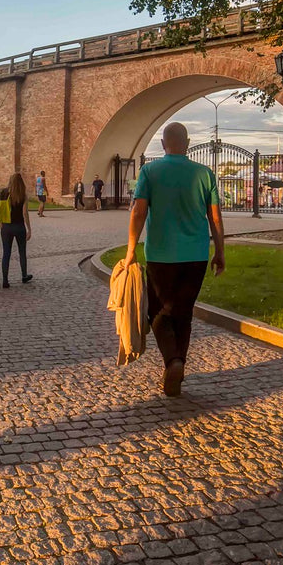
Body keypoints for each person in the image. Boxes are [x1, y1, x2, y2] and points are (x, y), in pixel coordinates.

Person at [125, 122, 226, 398]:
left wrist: (131, 249)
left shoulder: (150, 171)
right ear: (189, 142)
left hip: (161, 255)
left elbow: (138, 212)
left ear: (162, 144)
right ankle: (177, 365)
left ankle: (173, 361)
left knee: (157, 312)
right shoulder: (205, 173)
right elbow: (215, 217)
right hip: (195, 256)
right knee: (184, 312)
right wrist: (220, 251)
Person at [0, 173, 33, 287]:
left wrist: (1, 223)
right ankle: (24, 275)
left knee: (6, 253)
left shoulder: (3, 193)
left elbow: (1, 210)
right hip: (19, 226)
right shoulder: (22, 194)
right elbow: (25, 213)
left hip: (6, 226)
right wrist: (29, 229)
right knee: (22, 252)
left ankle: (5, 280)